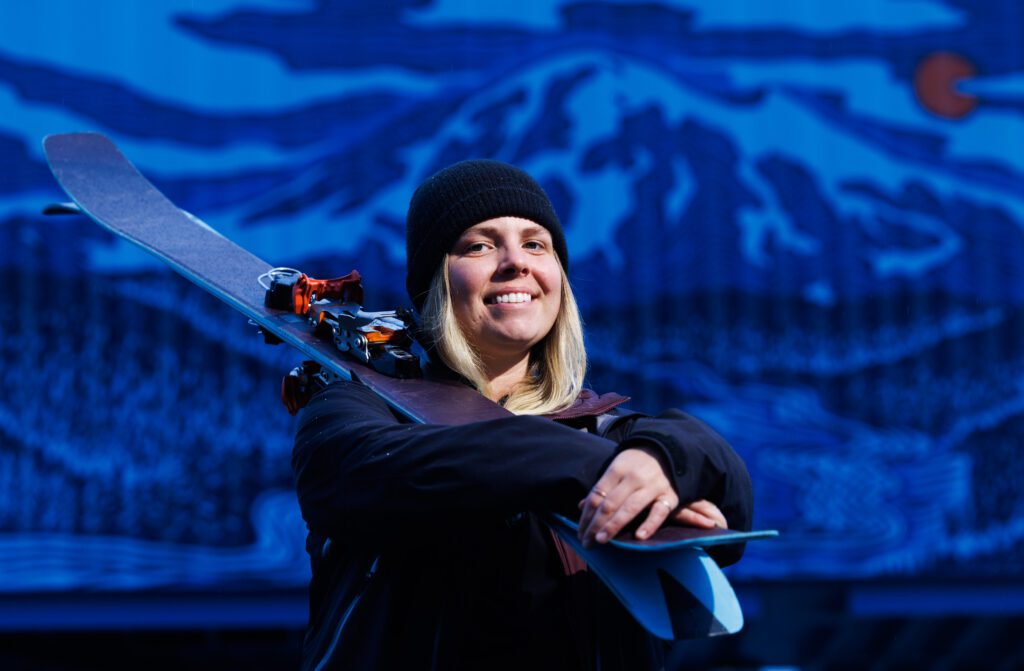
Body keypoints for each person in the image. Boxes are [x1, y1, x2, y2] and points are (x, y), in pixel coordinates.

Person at [292, 160, 753, 670]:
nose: (516, 262)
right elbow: (366, 471)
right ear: (434, 284)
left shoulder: (609, 434)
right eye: (479, 245)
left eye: (536, 244)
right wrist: (594, 472)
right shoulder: (358, 410)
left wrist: (666, 460)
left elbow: (725, 488)